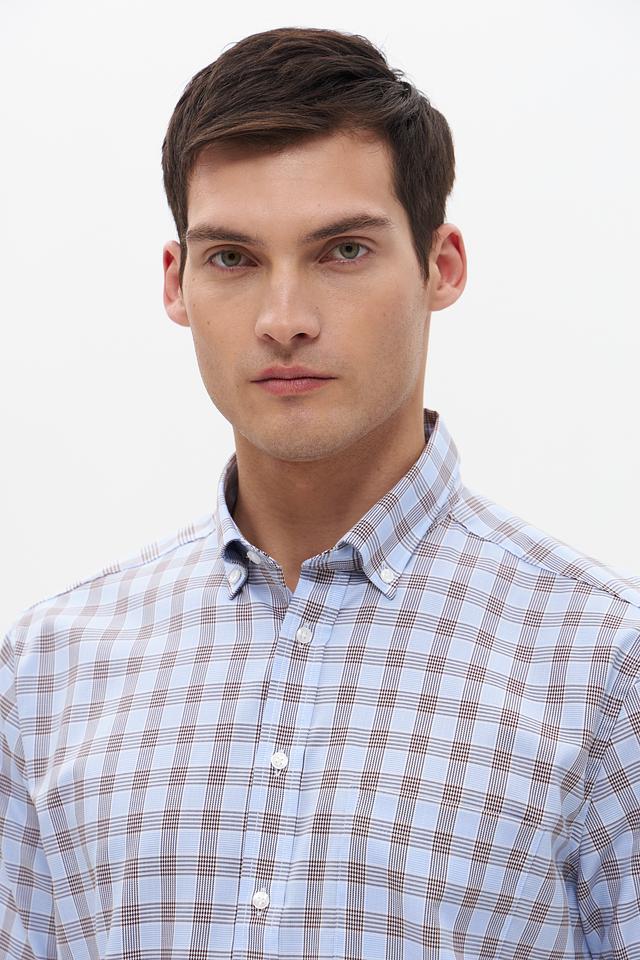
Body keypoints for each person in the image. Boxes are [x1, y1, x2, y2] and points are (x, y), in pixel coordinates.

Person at [1, 25, 638, 960]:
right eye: (233, 258)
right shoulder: (44, 673)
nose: (284, 319)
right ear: (176, 284)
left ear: (441, 266)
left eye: (342, 250)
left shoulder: (606, 668)